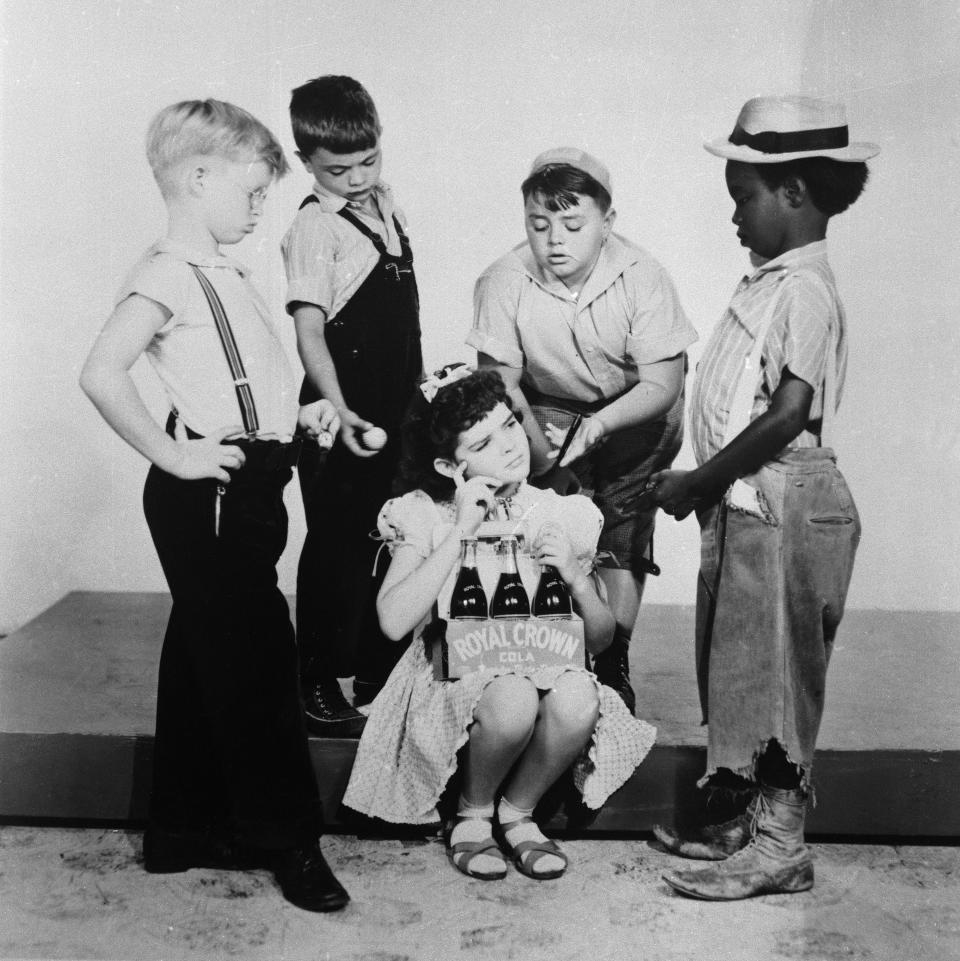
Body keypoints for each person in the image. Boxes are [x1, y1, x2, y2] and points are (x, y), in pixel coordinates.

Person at [78, 99, 349, 913]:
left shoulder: (222, 272)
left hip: (254, 482)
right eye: (253, 189)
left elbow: (247, 386)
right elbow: (101, 372)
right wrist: (175, 454)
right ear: (198, 178)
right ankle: (288, 835)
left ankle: (185, 827)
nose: (263, 204)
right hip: (213, 495)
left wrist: (298, 416)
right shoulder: (167, 268)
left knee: (203, 656)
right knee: (263, 659)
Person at [646, 96, 878, 900]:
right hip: (753, 504)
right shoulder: (772, 283)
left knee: (779, 671)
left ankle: (783, 843)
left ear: (796, 193)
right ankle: (749, 822)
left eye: (744, 197)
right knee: (742, 665)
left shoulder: (806, 289)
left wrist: (697, 482)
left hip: (791, 502)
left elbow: (786, 413)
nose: (736, 217)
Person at [342, 365, 656, 881]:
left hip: (542, 665)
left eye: (510, 424)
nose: (511, 446)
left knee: (580, 697)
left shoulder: (565, 512)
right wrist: (462, 528)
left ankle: (518, 812)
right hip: (454, 676)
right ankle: (473, 812)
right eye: (484, 442)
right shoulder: (426, 512)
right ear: (449, 465)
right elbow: (393, 622)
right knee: (512, 698)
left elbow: (598, 644)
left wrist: (577, 579)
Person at [470, 148, 697, 715]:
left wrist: (598, 426)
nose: (554, 240)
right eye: (539, 224)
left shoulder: (642, 275)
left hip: (636, 411)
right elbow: (500, 381)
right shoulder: (502, 278)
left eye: (573, 225)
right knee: (552, 523)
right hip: (541, 408)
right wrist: (542, 453)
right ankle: (549, 646)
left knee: (622, 529)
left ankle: (613, 657)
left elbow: (661, 383)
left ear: (607, 223)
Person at [282, 75, 423, 736]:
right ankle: (313, 676)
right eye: (338, 169)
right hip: (342, 412)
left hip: (396, 410)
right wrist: (342, 409)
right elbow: (311, 332)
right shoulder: (315, 226)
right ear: (305, 161)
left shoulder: (386, 204)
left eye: (369, 160)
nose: (358, 177)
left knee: (391, 538)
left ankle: (374, 668)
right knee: (336, 546)